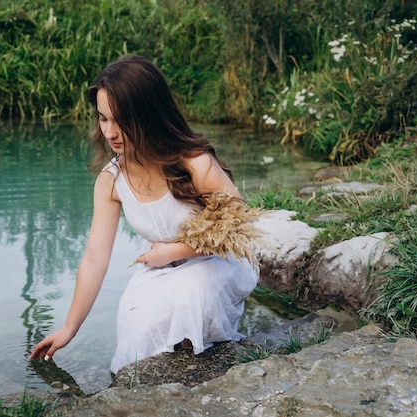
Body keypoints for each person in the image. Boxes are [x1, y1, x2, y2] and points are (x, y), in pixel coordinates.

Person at [30, 54, 258, 374]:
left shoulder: (194, 162)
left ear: (149, 114)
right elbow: (95, 259)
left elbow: (240, 225)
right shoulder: (111, 180)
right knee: (137, 325)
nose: (110, 132)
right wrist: (69, 328)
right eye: (103, 118)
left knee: (192, 292)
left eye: (120, 119)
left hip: (216, 263)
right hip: (160, 269)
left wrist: (173, 251)